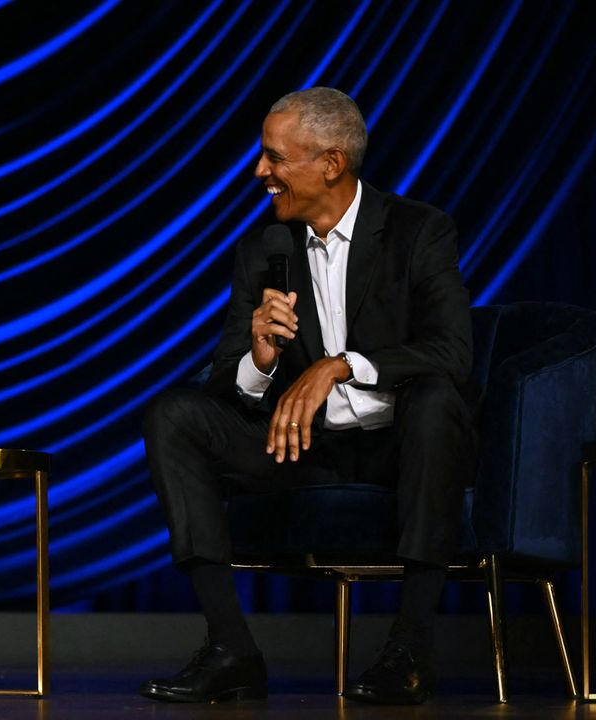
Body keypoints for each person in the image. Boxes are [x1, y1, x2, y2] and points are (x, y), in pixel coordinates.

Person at [140, 88, 474, 706]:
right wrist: (260, 360)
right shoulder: (263, 249)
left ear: (330, 163)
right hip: (299, 449)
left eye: (274, 158)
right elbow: (224, 384)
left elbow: (452, 353)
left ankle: (409, 649)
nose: (260, 172)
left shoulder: (418, 230)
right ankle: (230, 647)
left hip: (395, 448)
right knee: (174, 414)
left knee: (435, 403)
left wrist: (338, 366)